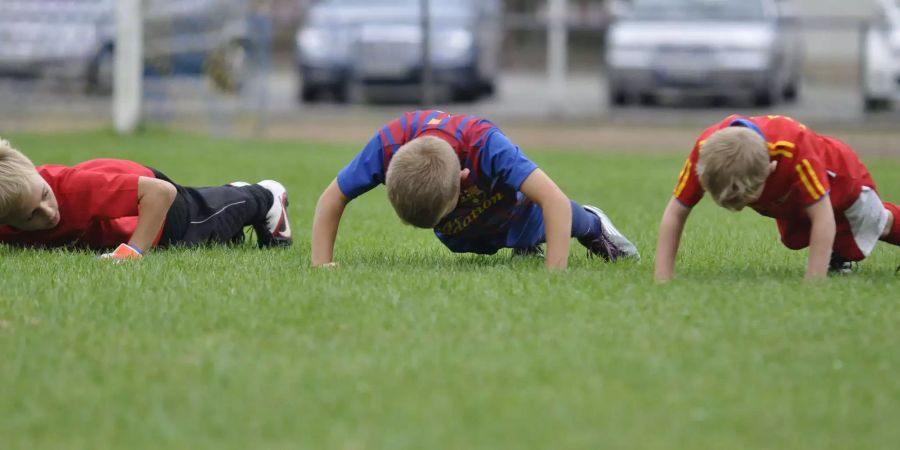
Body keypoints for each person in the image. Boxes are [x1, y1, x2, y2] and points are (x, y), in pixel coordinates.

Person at [311, 109, 639, 270]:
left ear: (462, 177)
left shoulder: (485, 143)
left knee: (542, 220)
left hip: (513, 201)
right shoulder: (387, 144)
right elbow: (332, 198)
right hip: (467, 224)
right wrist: (321, 266)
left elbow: (551, 199)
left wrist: (555, 275)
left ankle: (593, 223)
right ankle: (523, 246)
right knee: (462, 240)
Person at [655, 114, 899, 280]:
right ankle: (838, 252)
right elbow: (675, 213)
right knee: (794, 238)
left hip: (843, 184)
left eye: (749, 200)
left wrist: (813, 285)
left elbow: (823, 216)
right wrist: (663, 281)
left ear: (771, 169)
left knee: (874, 229)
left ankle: (850, 247)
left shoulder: (794, 147)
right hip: (789, 199)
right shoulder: (708, 153)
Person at [0, 138, 292, 258]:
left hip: (153, 202)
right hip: (130, 196)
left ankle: (264, 196)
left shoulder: (74, 189)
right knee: (215, 221)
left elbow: (161, 194)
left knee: (199, 221)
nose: (48, 212)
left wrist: (132, 253)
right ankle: (233, 194)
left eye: (44, 195)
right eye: (31, 216)